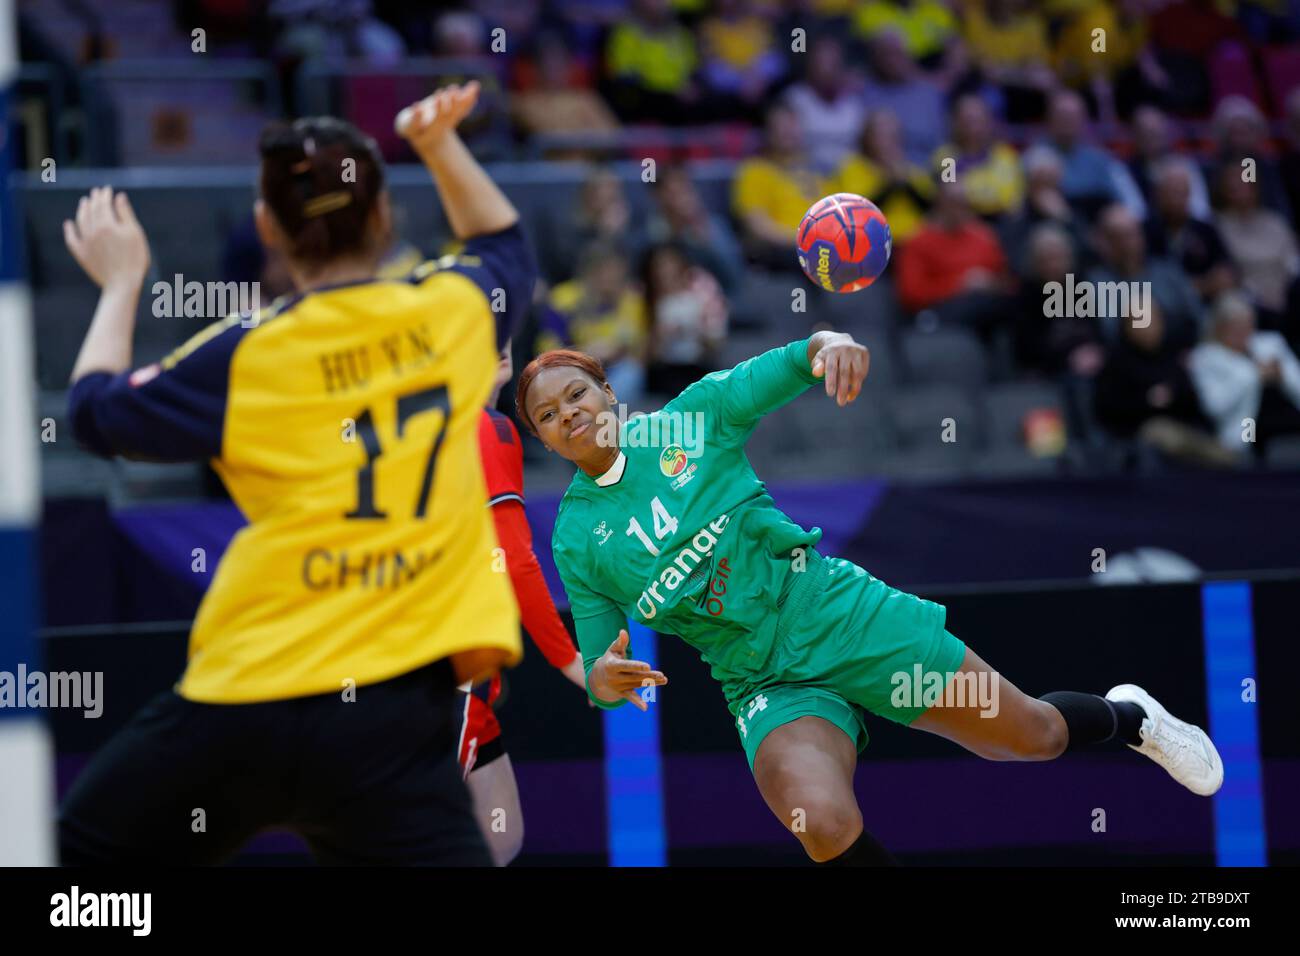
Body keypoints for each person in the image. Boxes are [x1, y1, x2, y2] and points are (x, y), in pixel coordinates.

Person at [516, 331, 1224, 865]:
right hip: (763, 679)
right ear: (544, 440)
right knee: (820, 824)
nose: (568, 415)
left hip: (843, 616)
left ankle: (1133, 720)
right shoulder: (578, 537)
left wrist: (834, 344)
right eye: (548, 416)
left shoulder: (691, 419)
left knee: (1031, 737)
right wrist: (605, 681)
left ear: (608, 391)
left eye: (576, 394)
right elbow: (601, 665)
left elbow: (795, 360)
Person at [59, 83, 535, 864]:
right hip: (392, 716)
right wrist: (438, 142)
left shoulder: (244, 356)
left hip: (245, 699)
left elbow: (92, 411)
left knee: (77, 887)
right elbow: (505, 243)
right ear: (384, 217)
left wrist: (120, 284)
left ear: (267, 229)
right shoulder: (452, 311)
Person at [464, 341, 587, 865]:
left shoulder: (413, 430)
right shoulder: (485, 429)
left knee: (502, 837)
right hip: (435, 670)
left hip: (444, 671)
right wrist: (572, 661)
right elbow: (514, 559)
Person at [1190, 292, 1300, 459]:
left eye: (1247, 325)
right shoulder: (1205, 358)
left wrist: (1282, 376)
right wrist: (1256, 375)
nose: (1243, 333)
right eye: (1236, 327)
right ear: (1219, 328)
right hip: (1245, 429)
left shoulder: (1271, 343)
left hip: (1288, 418)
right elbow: (1215, 407)